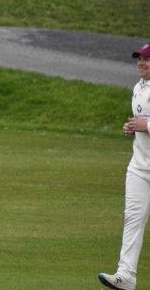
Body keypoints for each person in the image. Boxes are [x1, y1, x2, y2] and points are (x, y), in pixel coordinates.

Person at [99, 43, 150, 290]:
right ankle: (125, 275)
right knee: (132, 219)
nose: (141, 63)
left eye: (146, 60)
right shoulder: (138, 88)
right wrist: (132, 128)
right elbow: (142, 123)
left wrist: (147, 126)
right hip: (140, 167)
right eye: (139, 59)